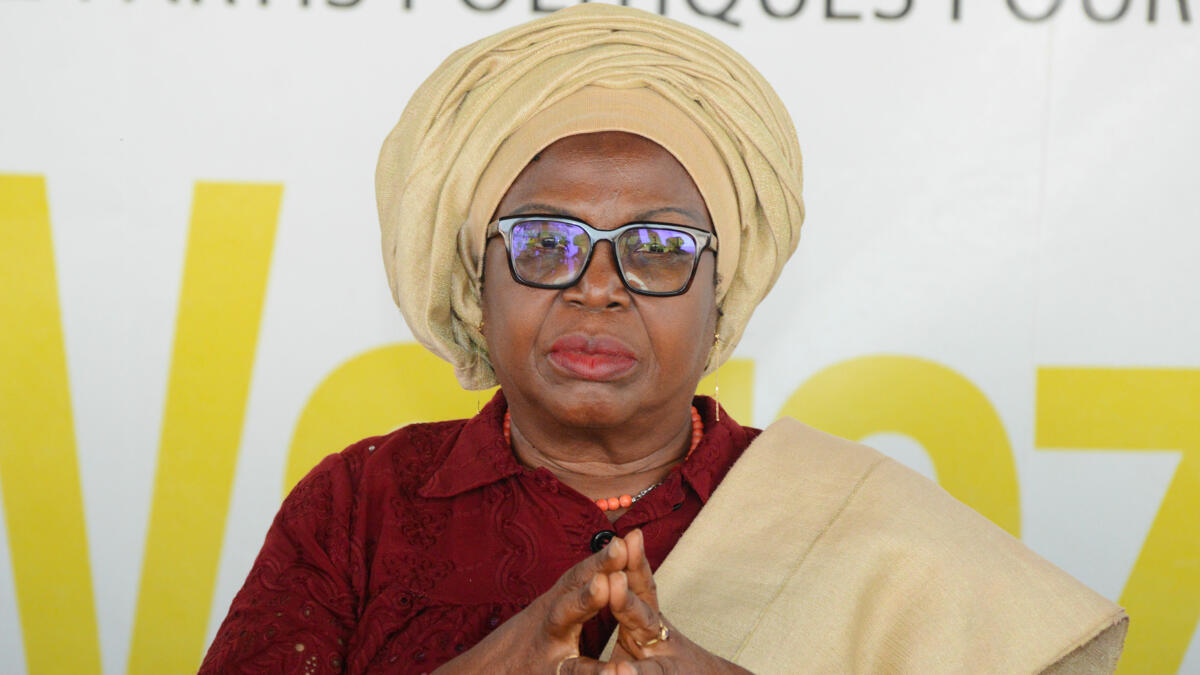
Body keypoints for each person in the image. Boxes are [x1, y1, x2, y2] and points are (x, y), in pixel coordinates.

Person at [201, 4, 1127, 673]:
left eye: (658, 247)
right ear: (477, 285)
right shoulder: (360, 506)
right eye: (545, 241)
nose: (597, 285)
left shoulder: (864, 531)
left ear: (720, 298)